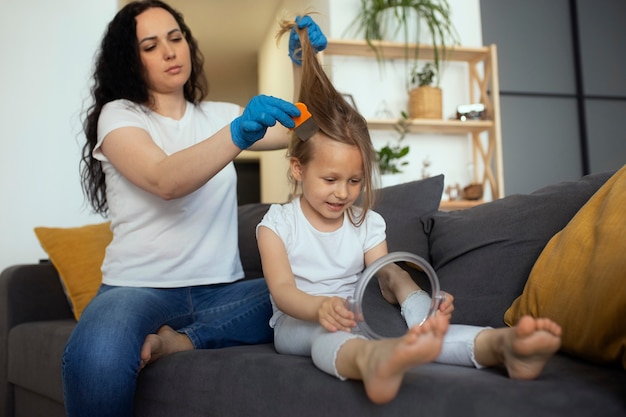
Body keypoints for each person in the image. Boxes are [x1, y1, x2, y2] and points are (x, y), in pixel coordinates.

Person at [256, 15, 563, 405]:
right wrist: (320, 308)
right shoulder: (277, 225)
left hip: (361, 315)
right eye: (330, 180)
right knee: (327, 336)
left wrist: (420, 299)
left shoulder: (364, 221)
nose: (343, 193)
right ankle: (370, 360)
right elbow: (282, 292)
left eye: (355, 181)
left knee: (422, 326)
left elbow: (386, 275)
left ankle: (498, 346)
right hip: (299, 321)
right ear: (298, 169)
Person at [63, 2, 327, 416]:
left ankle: (181, 341)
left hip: (221, 291)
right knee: (96, 356)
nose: (169, 52)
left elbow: (308, 130)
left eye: (175, 38)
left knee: (317, 288)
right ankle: (182, 335)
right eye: (150, 46)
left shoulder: (219, 115)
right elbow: (165, 180)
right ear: (129, 60)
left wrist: (305, 64)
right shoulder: (119, 117)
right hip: (137, 288)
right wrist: (238, 133)